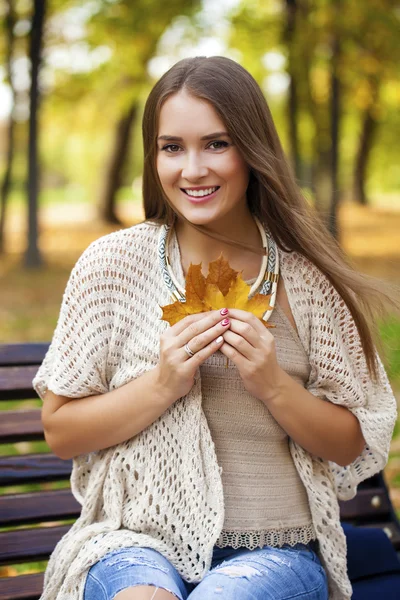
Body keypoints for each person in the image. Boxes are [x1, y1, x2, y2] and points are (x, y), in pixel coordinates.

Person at [33, 56, 398, 600]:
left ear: (252, 150)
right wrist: (161, 385)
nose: (193, 169)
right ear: (153, 155)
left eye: (217, 144)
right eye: (172, 147)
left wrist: (274, 384)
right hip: (133, 543)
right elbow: (61, 431)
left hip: (277, 549)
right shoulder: (111, 267)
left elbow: (352, 445)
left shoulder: (308, 281)